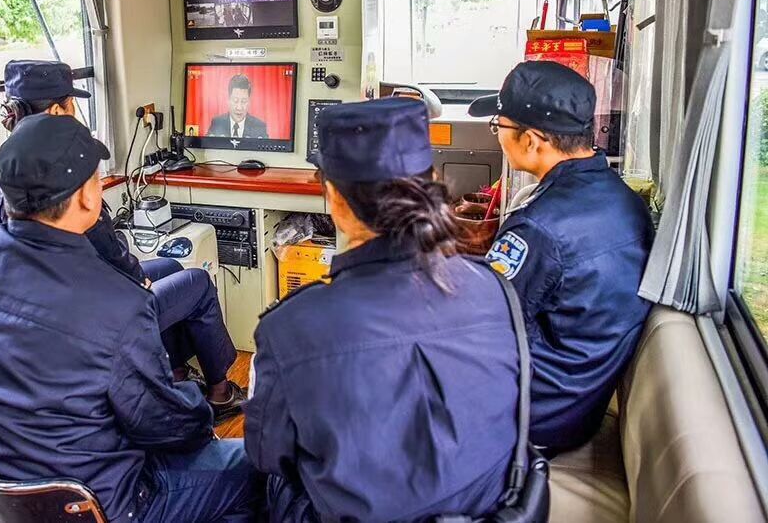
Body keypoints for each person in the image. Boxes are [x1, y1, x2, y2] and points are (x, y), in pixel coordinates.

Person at [0, 114, 263, 523]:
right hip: (112, 503)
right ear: (87, 199)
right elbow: (163, 426)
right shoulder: (118, 304)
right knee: (261, 464)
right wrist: (198, 411)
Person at [245, 97, 523, 521]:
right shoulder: (496, 288)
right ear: (430, 179)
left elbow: (267, 455)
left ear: (335, 200)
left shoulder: (290, 329)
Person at [0, 60, 245, 421]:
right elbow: (109, 252)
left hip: (61, 300)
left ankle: (176, 375)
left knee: (171, 266)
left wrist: (135, 274)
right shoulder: (69, 177)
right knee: (197, 282)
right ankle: (219, 392)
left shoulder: (7, 173)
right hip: (97, 315)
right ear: (59, 109)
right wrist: (137, 278)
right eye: (71, 104)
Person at [468, 60, 654, 453]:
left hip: (528, 418)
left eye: (499, 126)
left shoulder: (538, 228)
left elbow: (479, 324)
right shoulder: (623, 200)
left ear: (533, 140)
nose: (497, 135)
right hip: (574, 407)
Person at [207, 74, 268, 139]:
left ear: (249, 101)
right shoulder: (217, 123)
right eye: (235, 101)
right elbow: (207, 146)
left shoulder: (259, 126)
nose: (239, 108)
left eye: (244, 101)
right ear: (228, 99)